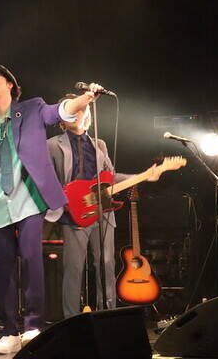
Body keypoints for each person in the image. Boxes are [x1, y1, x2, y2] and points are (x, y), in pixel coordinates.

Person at [0, 64, 99, 354]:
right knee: (3, 269)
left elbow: (60, 111)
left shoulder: (32, 109)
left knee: (30, 259)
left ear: (10, 85)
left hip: (28, 200)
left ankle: (33, 325)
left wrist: (85, 98)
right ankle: (9, 331)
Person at [45, 93, 159, 318]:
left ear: (87, 114)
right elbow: (45, 181)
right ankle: (71, 319)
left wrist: (144, 175)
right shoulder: (51, 145)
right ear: (62, 118)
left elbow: (111, 177)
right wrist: (63, 202)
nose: (76, 113)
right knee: (74, 268)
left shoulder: (99, 144)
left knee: (106, 264)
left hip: (103, 212)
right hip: (73, 215)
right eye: (71, 110)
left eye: (80, 109)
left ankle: (108, 315)